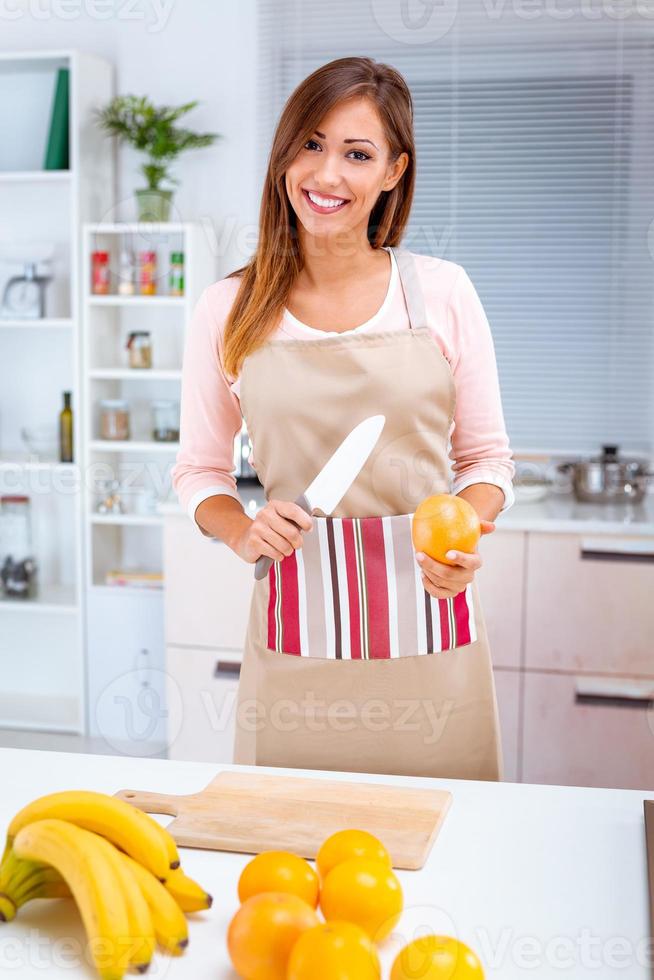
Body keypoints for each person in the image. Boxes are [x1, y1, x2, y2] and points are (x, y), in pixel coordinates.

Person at [171, 56, 515, 780]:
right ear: (284, 155)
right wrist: (242, 530)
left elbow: (486, 463)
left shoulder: (442, 294)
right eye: (311, 144)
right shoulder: (227, 308)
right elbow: (199, 472)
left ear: (393, 172)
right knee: (290, 854)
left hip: (432, 634)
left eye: (357, 154)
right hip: (298, 640)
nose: (326, 175)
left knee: (450, 845)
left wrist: (461, 539)